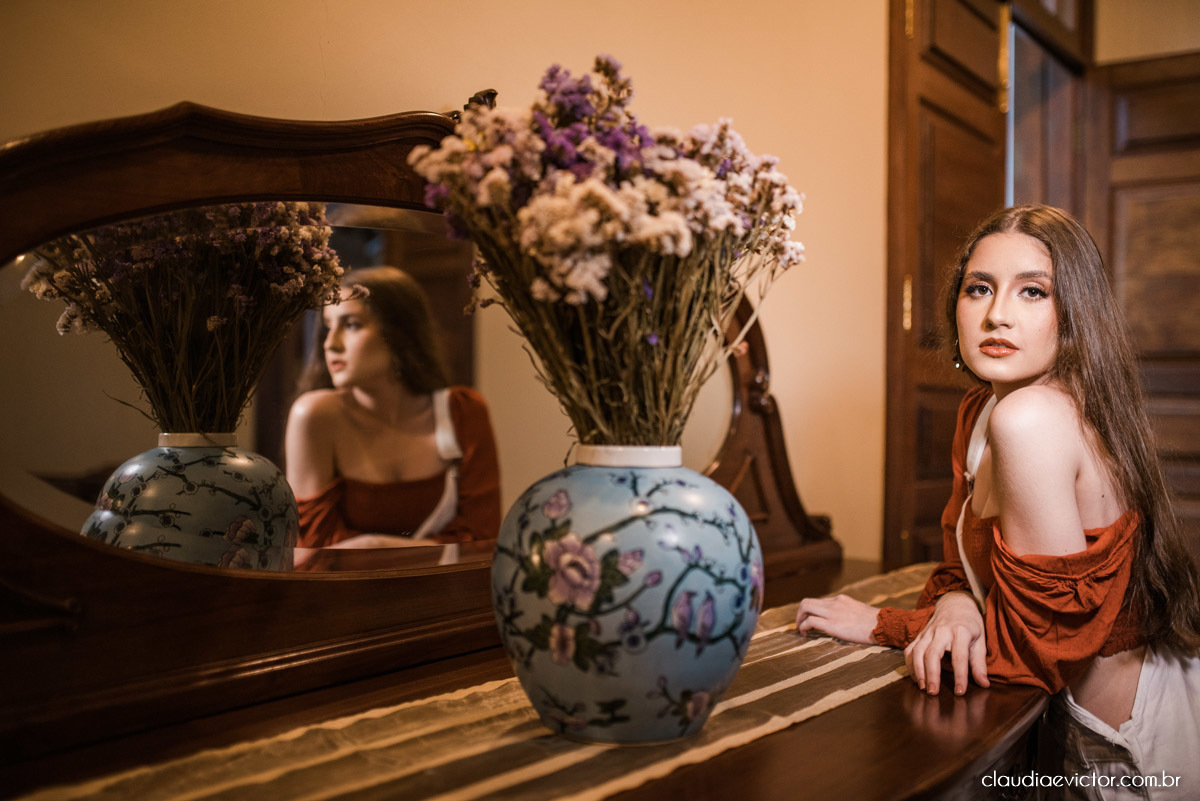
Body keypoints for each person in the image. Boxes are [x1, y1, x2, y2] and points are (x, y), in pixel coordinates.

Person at [796, 205, 1200, 795]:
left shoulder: (1030, 418)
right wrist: (956, 604)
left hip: (1120, 752)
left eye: (1033, 291)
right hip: (1048, 729)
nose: (996, 315)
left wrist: (886, 624)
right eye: (978, 288)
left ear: (1076, 312)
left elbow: (1040, 653)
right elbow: (968, 570)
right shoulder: (985, 409)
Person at [285, 265, 501, 560]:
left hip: (445, 600)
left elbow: (483, 546)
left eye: (351, 324)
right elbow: (316, 554)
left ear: (400, 333)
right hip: (342, 602)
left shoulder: (463, 412)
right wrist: (428, 553)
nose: (330, 344)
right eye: (327, 326)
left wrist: (376, 547)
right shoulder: (314, 416)